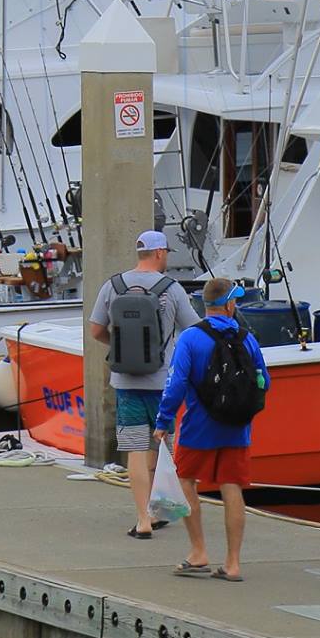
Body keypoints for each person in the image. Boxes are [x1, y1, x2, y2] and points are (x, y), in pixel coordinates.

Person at [87, 230, 202, 538]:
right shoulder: (172, 288)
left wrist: (120, 347)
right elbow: (193, 331)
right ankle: (162, 508)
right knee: (162, 448)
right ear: (160, 253)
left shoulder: (113, 286)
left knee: (136, 450)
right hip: (164, 383)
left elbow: (96, 330)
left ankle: (143, 520)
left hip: (125, 381)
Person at [156, 278, 268, 582]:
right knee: (231, 487)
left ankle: (198, 552)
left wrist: (164, 420)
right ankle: (233, 564)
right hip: (237, 428)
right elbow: (265, 382)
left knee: (185, 481)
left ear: (204, 305)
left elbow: (176, 383)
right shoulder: (248, 338)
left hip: (198, 426)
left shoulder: (191, 338)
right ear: (230, 305)